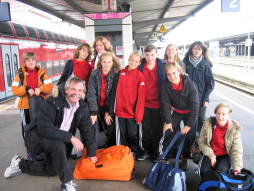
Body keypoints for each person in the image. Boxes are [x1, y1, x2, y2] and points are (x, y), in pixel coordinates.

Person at [4, 77, 97, 191]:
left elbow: (87, 131)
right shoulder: (53, 101)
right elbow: (44, 128)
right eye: (73, 89)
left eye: (80, 90)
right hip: (36, 137)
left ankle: (20, 164)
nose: (76, 93)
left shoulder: (82, 106)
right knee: (57, 144)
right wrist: (71, 137)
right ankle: (67, 183)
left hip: (58, 141)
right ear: (66, 90)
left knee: (52, 170)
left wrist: (92, 153)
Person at [160, 62, 199, 159]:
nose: (171, 77)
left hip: (190, 113)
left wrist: (189, 125)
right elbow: (165, 103)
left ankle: (186, 156)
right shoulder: (165, 85)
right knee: (169, 131)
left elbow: (195, 106)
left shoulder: (190, 84)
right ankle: (170, 154)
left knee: (190, 135)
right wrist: (168, 122)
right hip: (177, 111)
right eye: (168, 74)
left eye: (173, 73)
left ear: (179, 71)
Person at [110, 52, 145, 157]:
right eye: (132, 60)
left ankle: (133, 154)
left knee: (132, 136)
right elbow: (113, 93)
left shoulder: (140, 76)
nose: (133, 62)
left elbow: (141, 98)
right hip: (120, 112)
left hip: (132, 113)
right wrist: (112, 110)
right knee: (121, 137)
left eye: (136, 61)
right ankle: (122, 155)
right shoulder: (120, 73)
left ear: (139, 63)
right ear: (128, 59)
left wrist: (138, 116)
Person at [12, 52, 53, 139]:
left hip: (42, 105)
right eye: (28, 60)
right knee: (27, 128)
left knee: (42, 126)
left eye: (33, 60)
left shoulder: (42, 73)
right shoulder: (20, 75)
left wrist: (41, 89)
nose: (31, 62)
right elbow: (14, 90)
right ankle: (29, 149)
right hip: (26, 107)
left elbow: (50, 87)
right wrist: (26, 89)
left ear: (36, 61)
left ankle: (42, 147)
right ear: (25, 62)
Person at [136, 45, 165, 162]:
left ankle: (156, 152)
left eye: (152, 54)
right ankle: (146, 151)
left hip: (159, 104)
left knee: (158, 129)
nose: (150, 57)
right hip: (144, 105)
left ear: (156, 54)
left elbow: (175, 73)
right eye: (147, 55)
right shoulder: (140, 67)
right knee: (145, 130)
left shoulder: (163, 66)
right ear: (144, 55)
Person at [198, 103, 243, 176]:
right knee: (204, 171)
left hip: (224, 155)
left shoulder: (234, 128)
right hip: (210, 152)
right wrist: (211, 155)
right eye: (218, 113)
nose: (220, 116)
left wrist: (237, 168)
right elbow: (201, 142)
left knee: (221, 174)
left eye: (223, 114)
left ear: (229, 115)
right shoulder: (208, 124)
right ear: (215, 113)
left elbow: (237, 150)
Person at [86, 52, 120, 147]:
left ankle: (110, 147)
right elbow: (91, 93)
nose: (106, 64)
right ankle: (94, 149)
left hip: (109, 106)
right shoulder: (94, 74)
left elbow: (113, 95)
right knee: (93, 125)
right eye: (104, 62)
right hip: (96, 105)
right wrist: (93, 112)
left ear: (112, 63)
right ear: (100, 62)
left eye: (109, 62)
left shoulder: (116, 75)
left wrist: (108, 112)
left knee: (110, 127)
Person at [183, 41, 215, 135]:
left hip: (201, 98)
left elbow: (210, 83)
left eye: (199, 49)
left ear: (202, 51)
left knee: (200, 119)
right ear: (191, 49)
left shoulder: (206, 64)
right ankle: (189, 141)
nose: (197, 51)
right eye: (195, 48)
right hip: (187, 97)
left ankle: (199, 141)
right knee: (189, 120)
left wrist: (206, 98)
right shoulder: (184, 62)